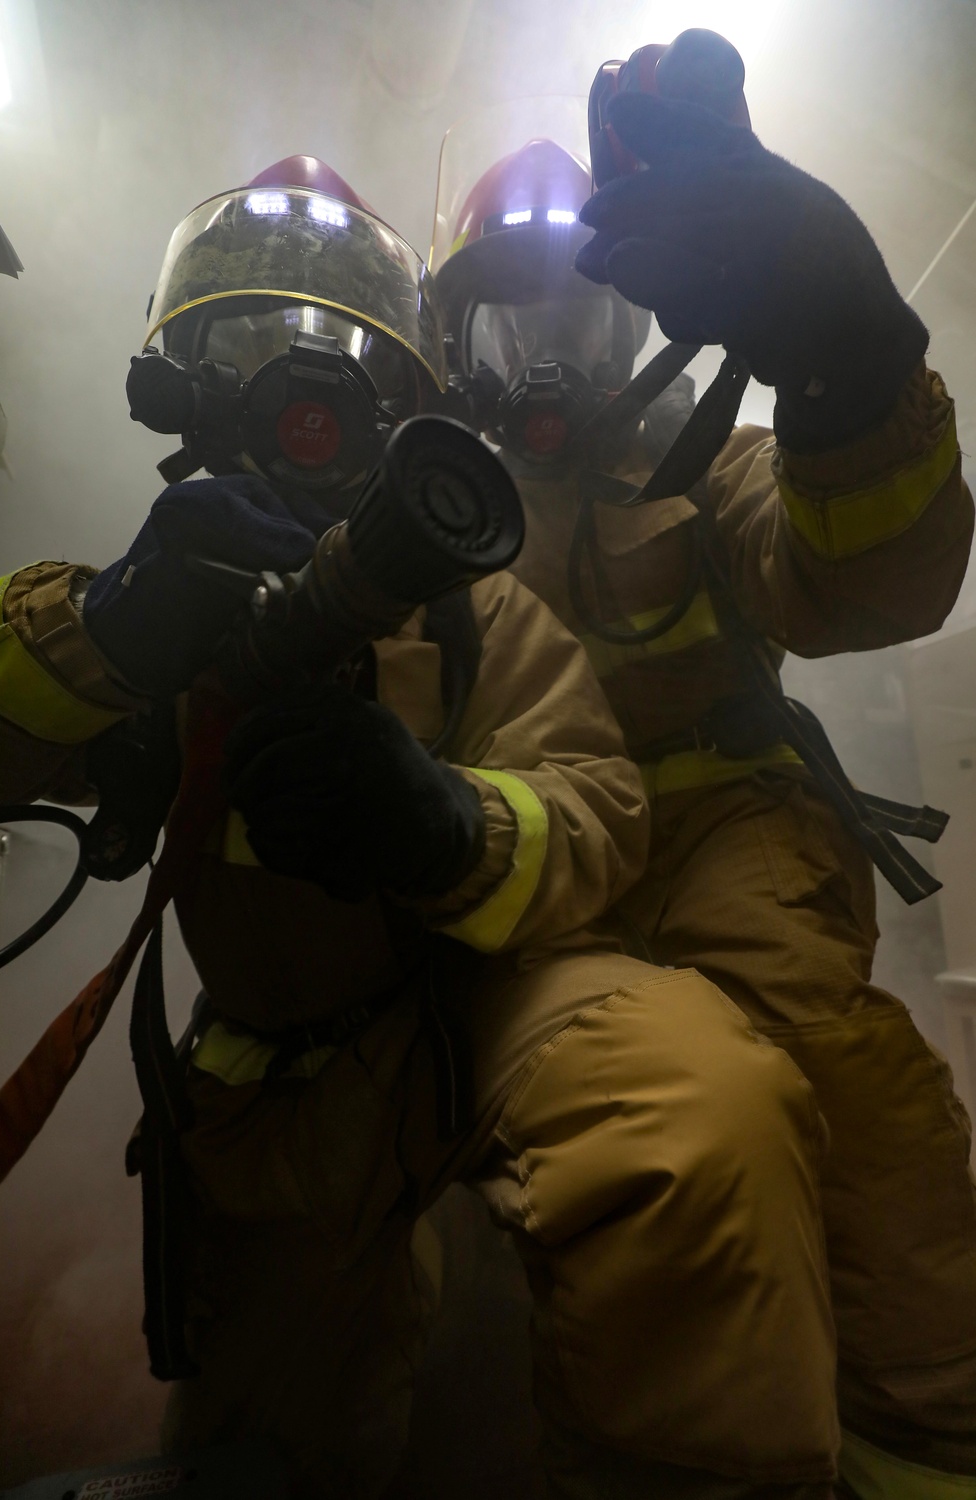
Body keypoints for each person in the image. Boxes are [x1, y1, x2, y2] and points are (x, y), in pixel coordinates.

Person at [0, 154, 847, 1500]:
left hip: (483, 1022)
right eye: (255, 342)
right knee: (273, 1451)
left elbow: (595, 799)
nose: (303, 396)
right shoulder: (137, 611)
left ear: (406, 400)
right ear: (182, 379)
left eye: (342, 356)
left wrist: (448, 824)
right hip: (277, 1093)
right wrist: (101, 637)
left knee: (696, 1109)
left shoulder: (470, 609)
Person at [431, 36, 976, 1500]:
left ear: (639, 318)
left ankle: (926, 1455)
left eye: (583, 317)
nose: (545, 361)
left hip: (740, 859)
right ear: (446, 342)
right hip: (548, 910)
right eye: (505, 321)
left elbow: (874, 582)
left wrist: (851, 374)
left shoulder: (707, 464)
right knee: (696, 1120)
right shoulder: (424, 520)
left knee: (869, 1107)